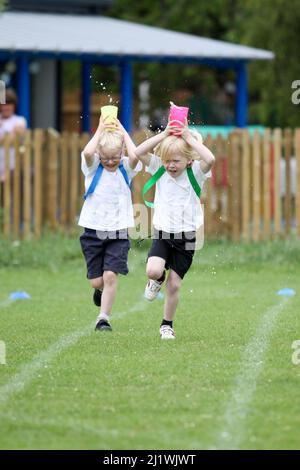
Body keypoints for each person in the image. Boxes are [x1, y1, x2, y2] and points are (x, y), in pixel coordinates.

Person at [135, 120, 215, 340]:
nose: (170, 165)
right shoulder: (160, 169)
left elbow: (210, 159)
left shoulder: (196, 172)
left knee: (175, 284)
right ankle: (156, 280)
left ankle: (166, 325)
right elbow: (138, 151)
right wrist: (165, 135)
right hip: (163, 233)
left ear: (189, 159)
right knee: (153, 270)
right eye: (167, 160)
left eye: (176, 161)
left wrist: (188, 138)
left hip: (188, 237)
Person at [78, 115, 142, 332]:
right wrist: (100, 129)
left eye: (115, 157)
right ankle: (99, 291)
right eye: (106, 158)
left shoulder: (126, 167)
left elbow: (135, 155)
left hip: (118, 232)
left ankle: (103, 318)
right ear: (100, 155)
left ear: (121, 153)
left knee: (110, 275)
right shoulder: (93, 166)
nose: (111, 161)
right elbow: (87, 153)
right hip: (92, 231)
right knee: (97, 282)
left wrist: (123, 132)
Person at [0, 88, 27, 183]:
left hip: (12, 166)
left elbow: (17, 138)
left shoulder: (19, 120)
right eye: (4, 104)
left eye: (9, 104)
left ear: (14, 106)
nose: (6, 107)